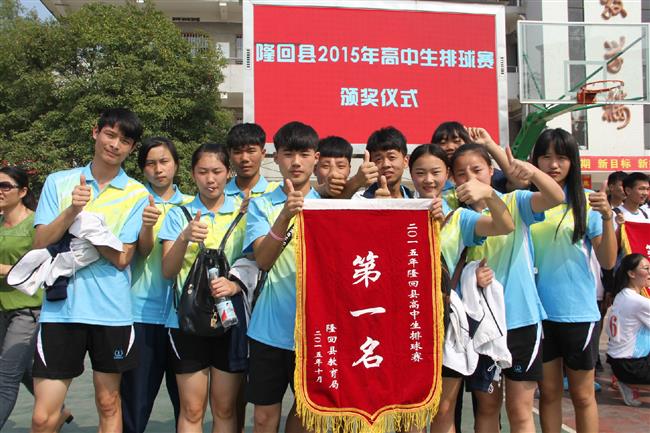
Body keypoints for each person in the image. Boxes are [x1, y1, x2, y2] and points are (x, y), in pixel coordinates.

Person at [30, 108, 149, 433]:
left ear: (131, 148)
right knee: (42, 417)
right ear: (96, 132)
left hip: (111, 312)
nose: (115, 145)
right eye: (110, 135)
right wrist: (73, 211)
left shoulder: (137, 193)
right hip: (60, 311)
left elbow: (123, 258)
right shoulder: (59, 181)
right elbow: (40, 242)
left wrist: (88, 232)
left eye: (124, 141)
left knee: (109, 404)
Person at [450, 138, 564, 433]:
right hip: (481, 325)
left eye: (477, 169)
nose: (470, 178)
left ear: (491, 170)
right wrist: (471, 278)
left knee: (519, 409)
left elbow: (555, 196)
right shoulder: (458, 216)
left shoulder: (515, 202)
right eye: (461, 173)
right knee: (487, 407)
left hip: (522, 321)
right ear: (453, 180)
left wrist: (530, 171)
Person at [407, 144, 514, 433]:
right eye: (420, 173)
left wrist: (489, 193)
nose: (428, 179)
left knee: (444, 409)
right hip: (408, 323)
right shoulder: (399, 211)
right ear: (411, 174)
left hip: (447, 325)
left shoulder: (459, 217)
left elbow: (505, 225)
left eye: (435, 172)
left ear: (448, 176)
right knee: (411, 409)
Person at [530, 128, 616, 433]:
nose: (553, 164)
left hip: (578, 313)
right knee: (549, 393)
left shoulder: (587, 203)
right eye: (546, 156)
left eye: (562, 157)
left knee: (582, 395)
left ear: (573, 161)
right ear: (535, 161)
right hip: (537, 314)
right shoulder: (527, 202)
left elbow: (608, 261)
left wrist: (607, 218)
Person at [160, 142, 247, 432]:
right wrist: (184, 237)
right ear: (192, 174)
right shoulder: (178, 215)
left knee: (225, 408)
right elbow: (168, 271)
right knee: (192, 409)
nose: (211, 179)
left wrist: (234, 286)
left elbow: (253, 264)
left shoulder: (243, 213)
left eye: (217, 171)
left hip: (230, 321)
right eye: (203, 172)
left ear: (228, 173)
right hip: (186, 323)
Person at [244, 121, 320, 433]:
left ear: (316, 157)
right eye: (288, 154)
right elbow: (263, 260)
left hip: (315, 333)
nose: (296, 162)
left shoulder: (331, 207)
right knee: (263, 417)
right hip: (268, 331)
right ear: (276, 158)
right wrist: (285, 214)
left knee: (307, 415)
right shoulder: (261, 205)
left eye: (304, 154)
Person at [120, 137, 189, 433]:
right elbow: (137, 251)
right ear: (142, 169)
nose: (158, 169)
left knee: (188, 407)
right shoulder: (132, 202)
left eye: (164, 162)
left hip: (184, 319)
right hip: (140, 315)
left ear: (176, 164)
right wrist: (146, 224)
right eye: (150, 163)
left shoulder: (192, 205)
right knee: (134, 405)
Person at [0, 167, 72, 430]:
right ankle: (58, 410)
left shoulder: (36, 225)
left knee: (5, 377)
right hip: (2, 308)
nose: (0, 191)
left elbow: (44, 267)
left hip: (28, 310)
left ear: (22, 191)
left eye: (5, 186)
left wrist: (4, 270)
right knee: (20, 370)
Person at [606, 253, 650, 407]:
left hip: (618, 362)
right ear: (631, 274)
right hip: (630, 366)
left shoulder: (621, 295)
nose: (649, 273)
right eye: (646, 269)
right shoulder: (638, 301)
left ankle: (626, 382)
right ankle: (629, 383)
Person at [225, 123, 278, 210]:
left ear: (263, 154)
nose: (244, 158)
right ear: (229, 155)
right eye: (237, 152)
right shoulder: (218, 194)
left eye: (251, 151)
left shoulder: (277, 192)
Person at [361, 126, 413, 199]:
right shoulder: (358, 201)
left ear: (405, 161)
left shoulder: (416, 201)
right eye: (378, 159)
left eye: (392, 157)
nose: (386, 164)